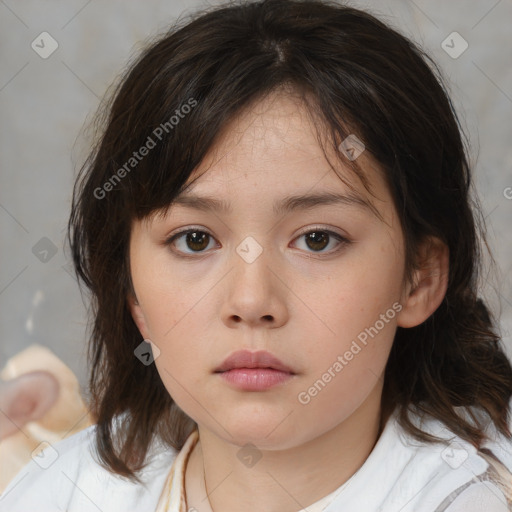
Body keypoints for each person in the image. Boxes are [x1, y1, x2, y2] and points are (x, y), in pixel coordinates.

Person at [1, 0, 511, 510]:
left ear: (418, 279)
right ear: (132, 291)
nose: (250, 301)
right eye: (195, 240)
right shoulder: (58, 494)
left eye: (317, 239)